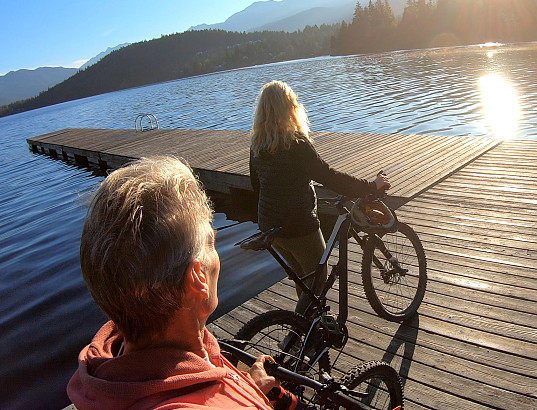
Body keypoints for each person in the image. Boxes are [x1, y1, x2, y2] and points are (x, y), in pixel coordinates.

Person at [68, 156, 297, 409]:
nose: (216, 254)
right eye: (211, 243)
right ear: (197, 279)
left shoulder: (102, 375)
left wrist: (250, 390)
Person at [249, 80, 389, 314]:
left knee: (304, 282)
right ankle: (295, 335)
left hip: (270, 227)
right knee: (318, 280)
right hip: (299, 226)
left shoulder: (257, 146)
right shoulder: (296, 144)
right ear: (290, 107)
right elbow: (330, 177)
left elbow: (257, 186)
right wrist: (371, 186)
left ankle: (309, 331)